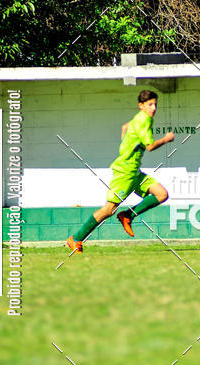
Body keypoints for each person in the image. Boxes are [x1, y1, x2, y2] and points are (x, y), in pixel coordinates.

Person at [66, 90, 174, 252]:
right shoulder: (143, 121)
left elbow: (125, 127)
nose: (154, 108)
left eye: (155, 104)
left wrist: (127, 147)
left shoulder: (139, 118)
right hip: (125, 173)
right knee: (109, 209)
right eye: (150, 104)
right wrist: (166, 139)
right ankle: (76, 239)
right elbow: (150, 146)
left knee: (161, 194)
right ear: (141, 106)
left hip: (135, 171)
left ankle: (128, 215)